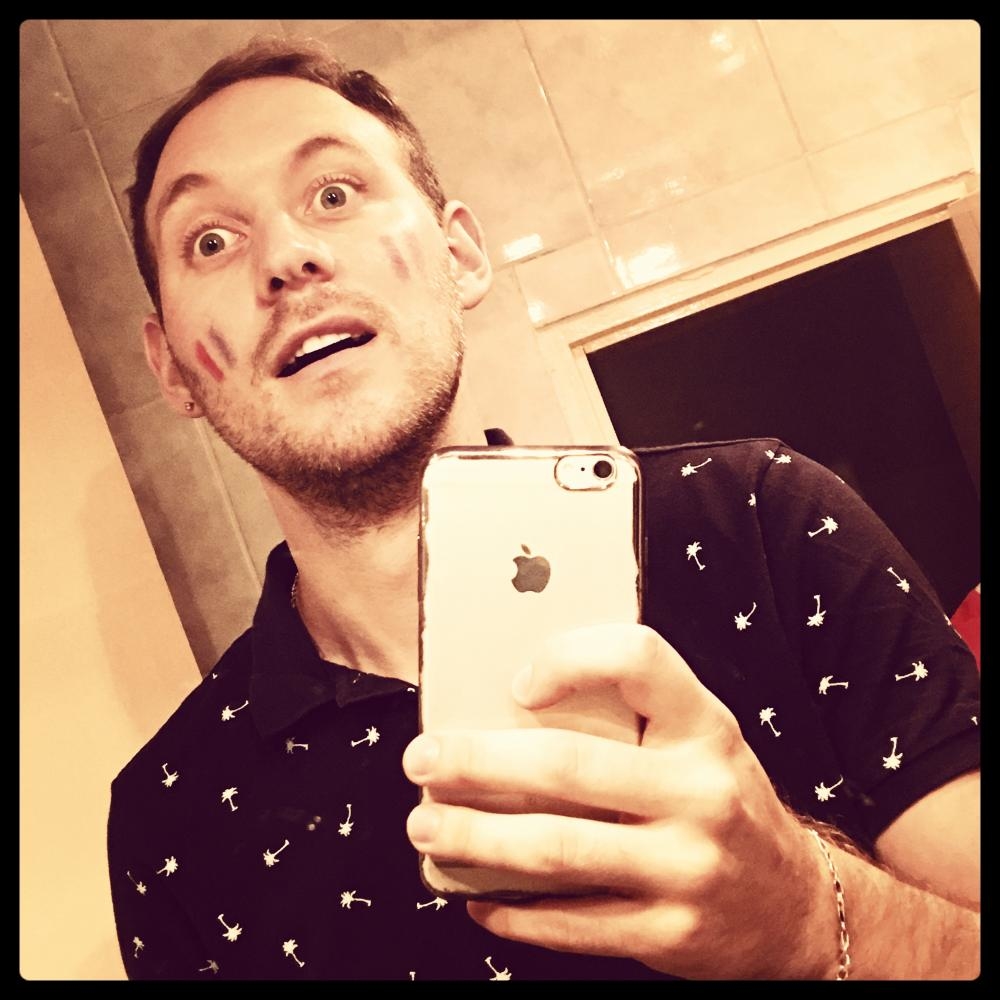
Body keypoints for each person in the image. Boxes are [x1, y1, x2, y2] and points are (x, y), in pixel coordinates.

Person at [107, 35, 980, 981]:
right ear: (170, 366)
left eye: (333, 194)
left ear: (459, 254)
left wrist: (805, 916)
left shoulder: (764, 521)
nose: (286, 257)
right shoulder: (167, 819)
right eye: (211, 240)